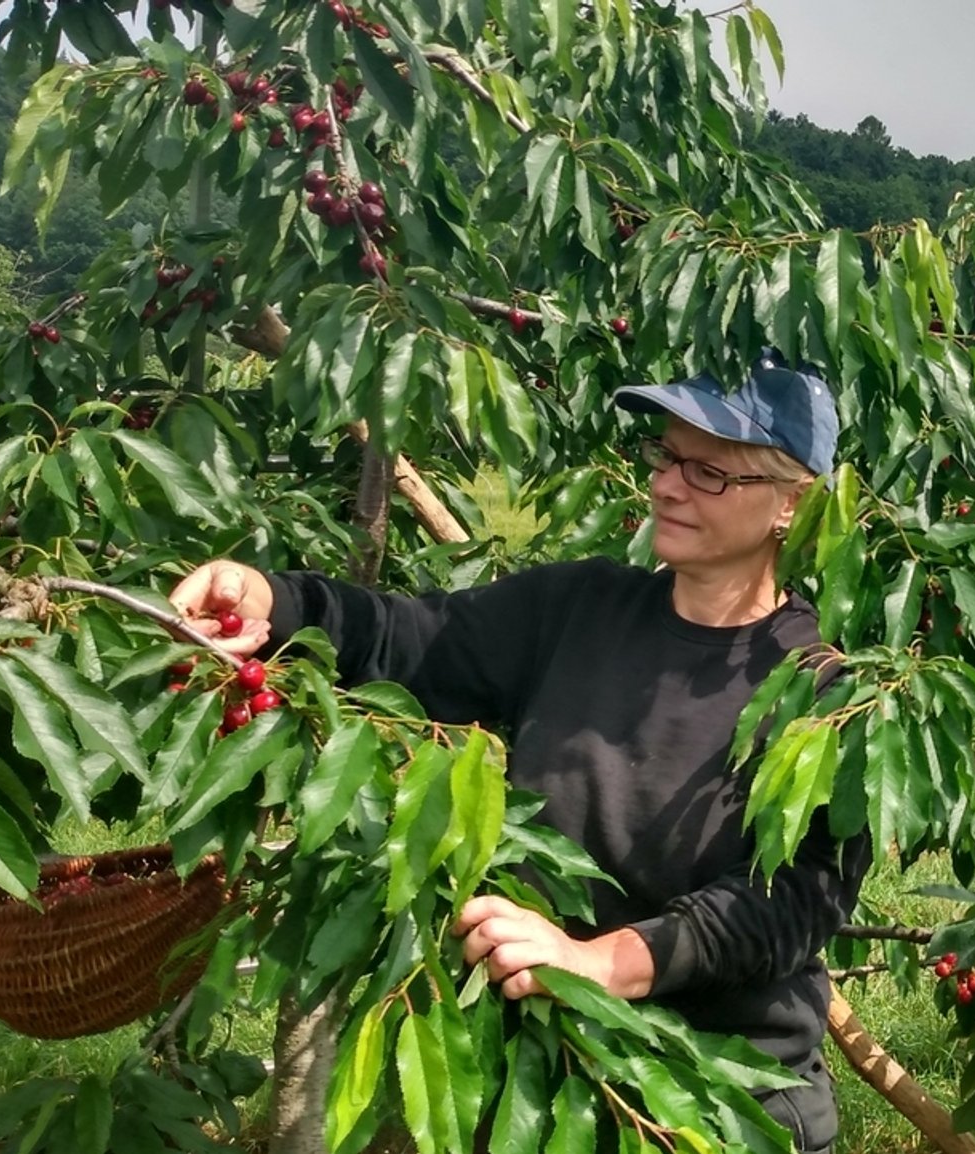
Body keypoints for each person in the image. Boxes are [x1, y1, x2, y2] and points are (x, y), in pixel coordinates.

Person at [167, 357, 868, 1153]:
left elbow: (790, 903)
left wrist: (604, 961)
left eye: (709, 471)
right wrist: (273, 598)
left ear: (792, 502)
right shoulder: (578, 608)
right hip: (545, 1081)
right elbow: (411, 638)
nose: (669, 486)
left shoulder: (824, 693)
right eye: (667, 457)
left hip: (727, 1109)